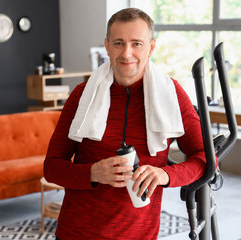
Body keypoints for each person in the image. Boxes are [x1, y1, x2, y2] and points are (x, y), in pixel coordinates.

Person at [44, 8, 207, 240]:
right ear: (107, 46)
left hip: (139, 233)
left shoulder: (172, 95)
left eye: (137, 44)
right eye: (119, 43)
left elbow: (203, 158)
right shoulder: (82, 95)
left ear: (151, 47)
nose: (126, 53)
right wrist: (92, 172)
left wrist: (165, 175)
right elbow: (51, 168)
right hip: (77, 232)